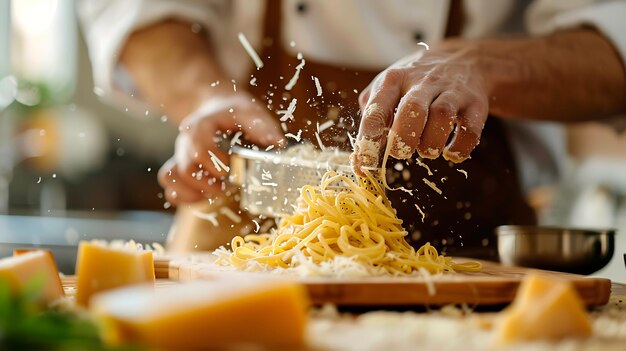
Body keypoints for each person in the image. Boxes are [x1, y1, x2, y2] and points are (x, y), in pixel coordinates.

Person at [77, 0, 626, 259]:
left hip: (467, 255)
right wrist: (204, 94)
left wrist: (485, 66)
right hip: (239, 240)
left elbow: (612, 40)